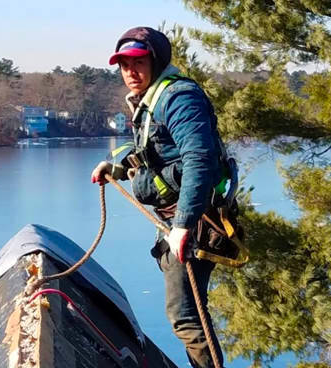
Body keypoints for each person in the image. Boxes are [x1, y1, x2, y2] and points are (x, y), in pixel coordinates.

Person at [91, 26, 227, 368]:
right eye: (123, 65)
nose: (129, 72)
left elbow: (199, 160)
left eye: (137, 62)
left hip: (195, 222)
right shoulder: (152, 99)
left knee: (185, 316)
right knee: (188, 314)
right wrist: (117, 167)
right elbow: (156, 154)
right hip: (179, 219)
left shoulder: (178, 98)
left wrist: (183, 224)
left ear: (155, 61)